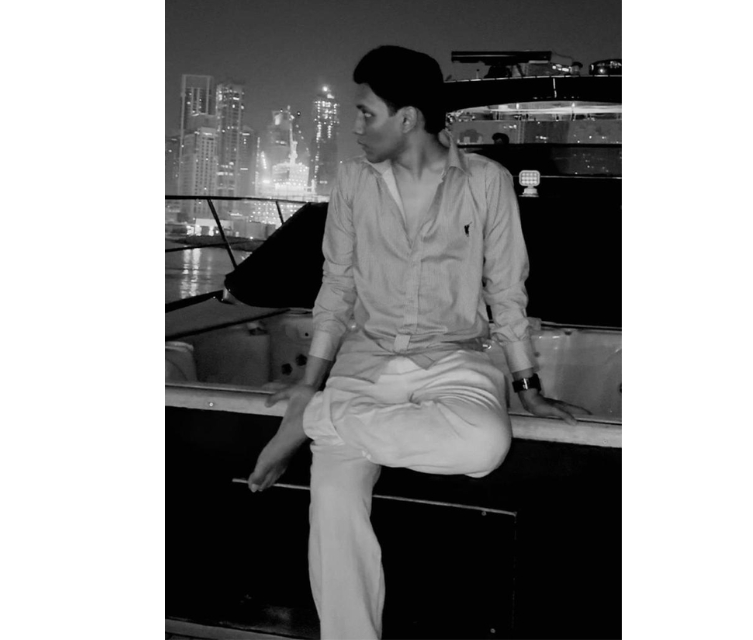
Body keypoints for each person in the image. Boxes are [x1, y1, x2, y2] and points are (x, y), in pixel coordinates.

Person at [244, 45, 590, 639]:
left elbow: (507, 292)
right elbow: (337, 286)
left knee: (483, 444)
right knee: (333, 509)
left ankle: (318, 418)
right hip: (365, 360)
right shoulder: (353, 182)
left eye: (366, 113)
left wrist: (527, 388)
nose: (356, 127)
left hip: (455, 358)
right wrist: (311, 376)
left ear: (407, 118)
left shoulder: (486, 182)